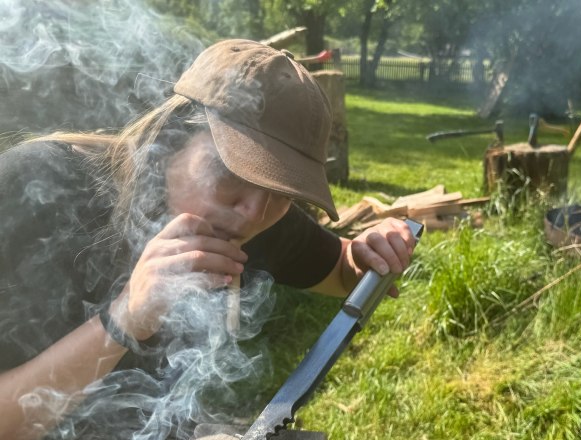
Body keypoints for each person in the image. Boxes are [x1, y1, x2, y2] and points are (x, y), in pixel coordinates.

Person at [0, 39, 417, 439]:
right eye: (232, 172)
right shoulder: (34, 189)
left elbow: (341, 270)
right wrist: (125, 319)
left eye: (283, 192)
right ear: (169, 140)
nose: (254, 212)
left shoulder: (254, 222)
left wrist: (368, 254)